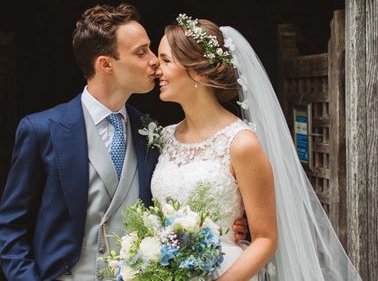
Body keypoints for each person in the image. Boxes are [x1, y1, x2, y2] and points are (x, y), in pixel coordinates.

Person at [151, 15, 362, 281]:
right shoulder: (166, 137)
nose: (156, 68)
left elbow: (265, 238)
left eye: (165, 60)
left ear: (199, 71)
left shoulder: (240, 143)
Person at [0, 3, 160, 280]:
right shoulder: (40, 130)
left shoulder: (151, 130)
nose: (154, 60)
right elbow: (11, 226)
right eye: (141, 52)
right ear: (105, 64)